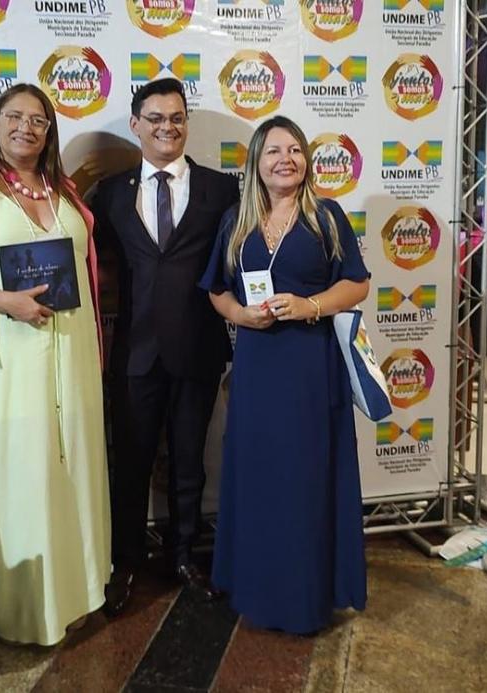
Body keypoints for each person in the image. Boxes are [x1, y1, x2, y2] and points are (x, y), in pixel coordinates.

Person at [0, 83, 110, 646]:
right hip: (10, 351)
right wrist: (1, 301)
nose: (26, 128)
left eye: (38, 120)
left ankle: (76, 593)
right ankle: (23, 607)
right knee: (23, 475)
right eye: (14, 116)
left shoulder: (65, 188)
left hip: (75, 350)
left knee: (75, 469)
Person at [199, 115, 369, 634]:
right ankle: (258, 591)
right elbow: (216, 289)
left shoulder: (326, 216)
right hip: (256, 370)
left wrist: (309, 305)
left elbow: (357, 284)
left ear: (307, 161)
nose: (285, 159)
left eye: (295, 150)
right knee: (259, 478)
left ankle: (304, 598)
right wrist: (239, 315)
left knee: (305, 481)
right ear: (256, 162)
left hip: (310, 369)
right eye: (274, 151)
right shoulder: (236, 221)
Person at [91, 78, 240, 616]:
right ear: (136, 124)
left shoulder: (222, 190)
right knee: (129, 465)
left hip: (197, 351)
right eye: (155, 118)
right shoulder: (110, 193)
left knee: (189, 465)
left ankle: (183, 558)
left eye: (176, 117)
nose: (166, 127)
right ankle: (125, 563)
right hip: (134, 354)